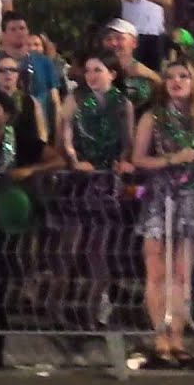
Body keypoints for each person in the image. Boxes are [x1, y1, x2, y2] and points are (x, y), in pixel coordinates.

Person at [130, 60, 194, 369]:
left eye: (183, 76)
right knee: (157, 269)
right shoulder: (153, 117)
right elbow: (139, 158)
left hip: (192, 198)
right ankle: (159, 337)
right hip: (160, 197)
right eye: (171, 76)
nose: (176, 81)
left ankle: (178, 339)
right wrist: (173, 158)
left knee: (182, 273)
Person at [0, 86, 60, 368]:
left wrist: (30, 170)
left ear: (7, 114)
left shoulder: (23, 141)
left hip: (8, 218)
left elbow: (57, 159)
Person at [55, 51, 135, 326]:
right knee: (69, 247)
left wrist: (121, 160)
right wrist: (76, 161)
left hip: (106, 181)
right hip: (79, 179)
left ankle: (92, 312)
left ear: (112, 74)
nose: (91, 76)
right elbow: (64, 137)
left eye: (98, 70)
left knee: (98, 250)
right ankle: (56, 309)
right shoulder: (75, 99)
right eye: (88, 70)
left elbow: (128, 141)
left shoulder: (122, 103)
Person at [0, 12, 62, 125]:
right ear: (3, 34)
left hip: (40, 128)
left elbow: (55, 102)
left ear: (28, 32)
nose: (19, 33)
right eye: (13, 29)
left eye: (22, 28)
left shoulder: (44, 62)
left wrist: (58, 138)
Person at [103, 19, 161, 113]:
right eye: (108, 39)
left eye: (119, 38)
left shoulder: (143, 75)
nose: (113, 43)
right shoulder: (94, 68)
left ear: (134, 43)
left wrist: (152, 75)